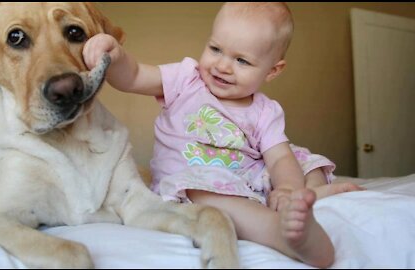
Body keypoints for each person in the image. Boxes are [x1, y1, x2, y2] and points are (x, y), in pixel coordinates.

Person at [83, 2, 363, 267]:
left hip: (250, 177)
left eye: (241, 60)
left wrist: (288, 189)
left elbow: (278, 158)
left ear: (272, 71)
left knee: (302, 159)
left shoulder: (265, 110)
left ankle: (307, 195)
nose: (222, 66)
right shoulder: (186, 79)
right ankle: (284, 235)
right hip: (197, 181)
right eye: (216, 49)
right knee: (211, 194)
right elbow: (132, 76)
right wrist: (115, 56)